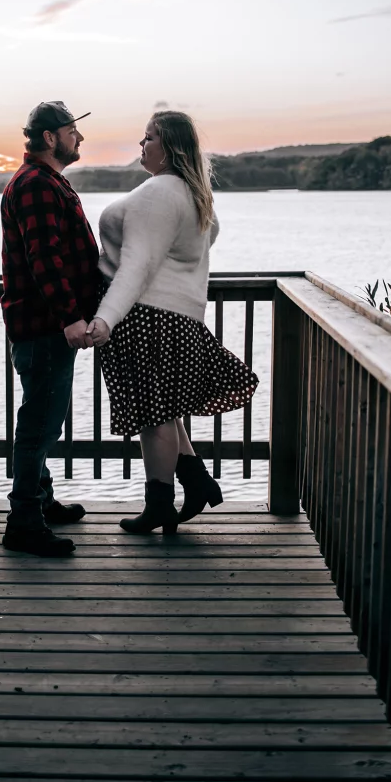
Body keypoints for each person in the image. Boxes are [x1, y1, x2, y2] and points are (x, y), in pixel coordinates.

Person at [86, 110, 258, 534]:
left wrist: (106, 318)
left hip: (146, 318)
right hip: (177, 319)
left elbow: (138, 265)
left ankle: (159, 504)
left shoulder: (157, 193)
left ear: (170, 147)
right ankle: (197, 482)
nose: (141, 146)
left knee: (154, 416)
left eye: (148, 139)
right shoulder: (194, 196)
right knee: (163, 410)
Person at [0, 101, 99, 556]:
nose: (79, 138)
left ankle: (39, 500)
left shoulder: (46, 182)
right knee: (40, 424)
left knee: (41, 417)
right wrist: (71, 316)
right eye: (71, 131)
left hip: (42, 326)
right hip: (44, 326)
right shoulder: (37, 185)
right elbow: (45, 260)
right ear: (49, 138)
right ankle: (23, 522)